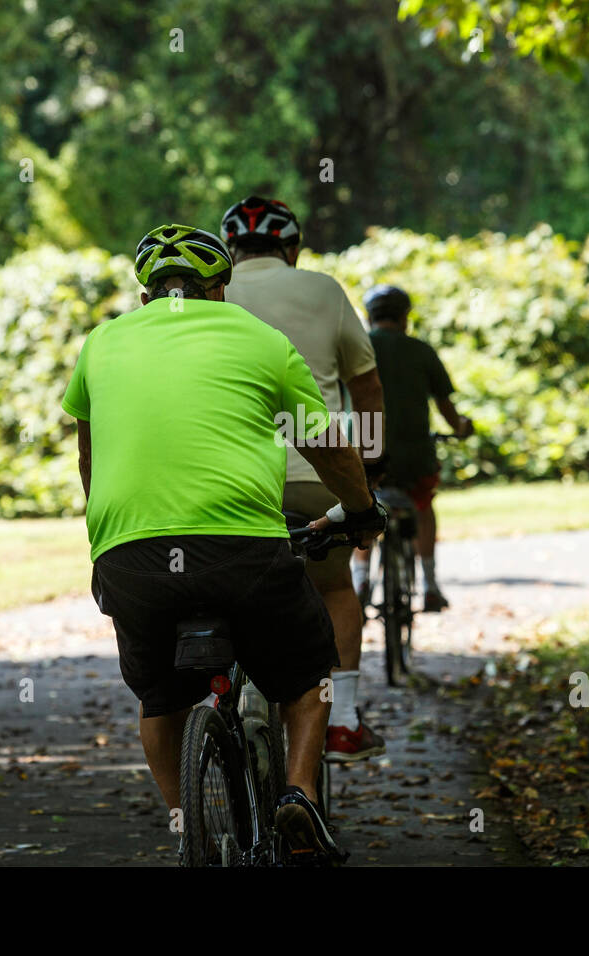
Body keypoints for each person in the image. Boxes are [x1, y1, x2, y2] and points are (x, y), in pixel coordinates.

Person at [61, 223, 386, 862]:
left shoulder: (101, 344)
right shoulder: (260, 338)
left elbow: (90, 455)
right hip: (242, 546)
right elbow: (322, 441)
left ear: (149, 292)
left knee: (160, 697)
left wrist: (111, 540)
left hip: (131, 555)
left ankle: (190, 829)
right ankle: (299, 795)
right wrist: (360, 510)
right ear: (219, 287)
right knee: (306, 674)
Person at [220, 195, 388, 762]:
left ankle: (233, 700)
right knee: (335, 587)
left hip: (235, 477)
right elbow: (365, 384)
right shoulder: (323, 289)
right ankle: (342, 721)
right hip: (317, 469)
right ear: (290, 246)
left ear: (229, 249)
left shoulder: (209, 296)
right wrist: (368, 460)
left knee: (228, 582)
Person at [352, 284, 473, 612]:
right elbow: (446, 407)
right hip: (415, 458)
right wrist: (462, 428)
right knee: (423, 505)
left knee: (358, 505)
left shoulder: (357, 347)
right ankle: (430, 584)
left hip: (365, 454)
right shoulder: (421, 350)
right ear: (405, 317)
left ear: (368, 316)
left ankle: (359, 578)